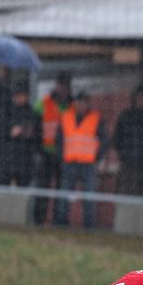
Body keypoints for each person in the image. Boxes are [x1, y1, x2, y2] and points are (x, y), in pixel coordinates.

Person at [54, 92, 108, 228]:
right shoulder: (66, 117)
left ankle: (89, 226)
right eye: (78, 102)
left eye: (84, 102)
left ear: (88, 104)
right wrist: (61, 157)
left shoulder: (96, 119)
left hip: (88, 164)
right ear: (75, 103)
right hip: (69, 163)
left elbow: (105, 140)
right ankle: (61, 224)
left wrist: (97, 156)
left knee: (89, 197)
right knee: (64, 196)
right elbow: (59, 140)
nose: (81, 105)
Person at [34, 71, 72, 225]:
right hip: (46, 153)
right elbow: (35, 127)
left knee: (61, 190)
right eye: (60, 85)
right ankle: (39, 219)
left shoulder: (72, 106)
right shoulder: (43, 104)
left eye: (65, 86)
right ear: (56, 86)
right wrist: (38, 149)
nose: (63, 89)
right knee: (43, 189)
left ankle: (59, 221)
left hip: (64, 155)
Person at [0, 81, 41, 187]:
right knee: (4, 190)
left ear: (26, 96)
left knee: (23, 189)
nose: (17, 98)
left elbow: (37, 135)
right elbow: (1, 132)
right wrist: (10, 132)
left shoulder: (32, 113)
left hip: (25, 160)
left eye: (20, 95)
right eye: (15, 95)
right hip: (9, 160)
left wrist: (24, 131)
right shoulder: (7, 112)